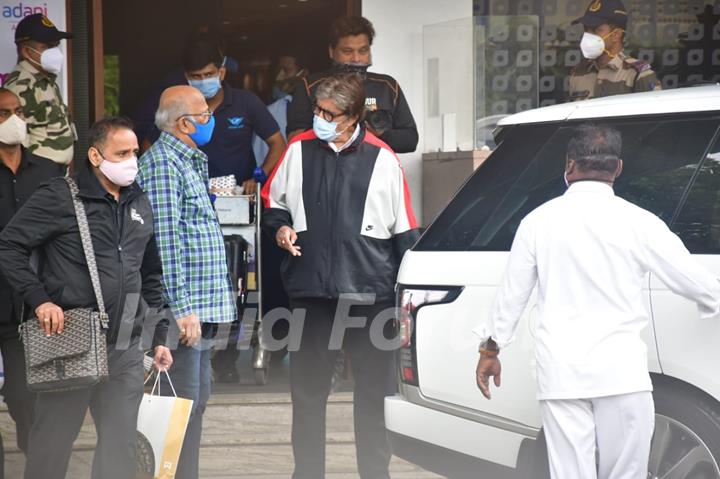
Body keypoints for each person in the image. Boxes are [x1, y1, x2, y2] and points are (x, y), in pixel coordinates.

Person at [474, 124, 720, 479]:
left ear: (569, 165)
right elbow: (699, 284)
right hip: (621, 374)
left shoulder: (537, 223)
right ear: (618, 168)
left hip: (562, 375)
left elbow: (511, 296)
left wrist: (490, 352)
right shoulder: (641, 223)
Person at [262, 73, 419, 479]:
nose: (320, 119)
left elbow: (405, 229)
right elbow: (273, 202)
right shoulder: (297, 150)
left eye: (329, 114)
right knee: (308, 395)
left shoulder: (383, 157)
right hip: (311, 294)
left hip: (372, 295)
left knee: (374, 396)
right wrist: (280, 228)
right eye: (318, 111)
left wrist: (409, 300)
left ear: (352, 118)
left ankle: (374, 474)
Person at [0, 116, 173, 479]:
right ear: (95, 156)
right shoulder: (60, 195)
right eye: (121, 153)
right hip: (70, 343)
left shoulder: (139, 202)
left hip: (125, 346)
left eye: (135, 153)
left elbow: (151, 275)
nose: (131, 162)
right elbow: (9, 245)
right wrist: (40, 299)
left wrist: (158, 337)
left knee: (120, 448)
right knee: (52, 446)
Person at [137, 85, 237, 479]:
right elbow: (165, 244)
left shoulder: (189, 161)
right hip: (184, 313)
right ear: (184, 123)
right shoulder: (163, 165)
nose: (210, 118)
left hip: (201, 308)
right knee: (178, 409)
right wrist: (181, 310)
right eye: (205, 113)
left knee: (194, 405)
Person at [0, 88, 63, 479]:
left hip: (29, 303)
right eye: (4, 112)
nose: (13, 118)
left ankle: (35, 462)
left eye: (18, 110)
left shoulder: (48, 172)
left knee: (28, 396)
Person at [286, 16, 419, 154]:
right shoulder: (310, 86)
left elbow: (410, 140)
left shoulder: (387, 87)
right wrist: (337, 130)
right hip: (326, 169)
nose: (356, 59)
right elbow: (294, 139)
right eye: (347, 51)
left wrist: (378, 135)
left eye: (363, 51)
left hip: (375, 170)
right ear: (332, 52)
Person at [183, 36, 286, 197]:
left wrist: (259, 177)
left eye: (209, 74)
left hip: (240, 196)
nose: (203, 81)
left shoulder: (246, 102)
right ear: (187, 77)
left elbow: (278, 144)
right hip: (193, 198)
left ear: (221, 73)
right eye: (196, 77)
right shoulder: (179, 107)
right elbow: (151, 146)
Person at [4, 13, 75, 167]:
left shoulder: (46, 80)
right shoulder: (20, 86)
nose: (55, 51)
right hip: (38, 179)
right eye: (47, 46)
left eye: (55, 45)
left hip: (55, 175)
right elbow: (16, 143)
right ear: (26, 52)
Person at [568, 0, 661, 101]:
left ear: (616, 35)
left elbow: (654, 114)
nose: (588, 35)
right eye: (586, 29)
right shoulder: (579, 73)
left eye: (596, 30)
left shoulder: (637, 74)